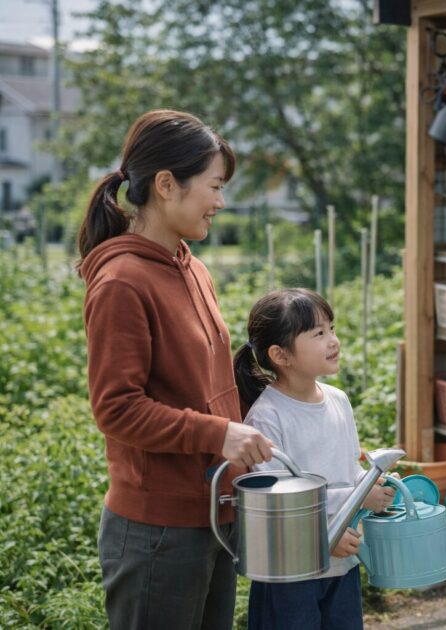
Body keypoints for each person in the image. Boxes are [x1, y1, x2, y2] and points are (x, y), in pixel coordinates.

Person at [78, 109, 276, 629]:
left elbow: (200, 383)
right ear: (166, 185)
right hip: (156, 531)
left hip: (211, 511)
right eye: (213, 186)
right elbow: (117, 410)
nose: (220, 202)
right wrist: (219, 433)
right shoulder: (122, 282)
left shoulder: (193, 267)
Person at [234, 288, 396, 630]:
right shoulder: (267, 418)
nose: (333, 340)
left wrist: (368, 484)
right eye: (318, 334)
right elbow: (276, 505)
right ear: (281, 354)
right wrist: (345, 509)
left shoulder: (338, 400)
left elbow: (347, 467)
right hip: (290, 572)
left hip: (342, 565)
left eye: (332, 329)